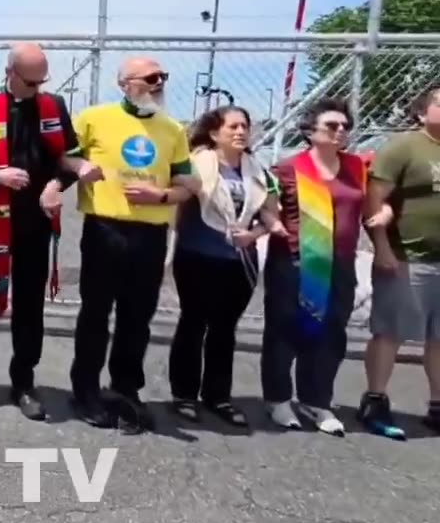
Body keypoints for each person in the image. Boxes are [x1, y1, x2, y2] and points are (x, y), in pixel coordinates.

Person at [0, 43, 99, 420]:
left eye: (41, 81)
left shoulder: (53, 108)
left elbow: (68, 159)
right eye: (30, 81)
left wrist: (57, 185)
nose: (37, 88)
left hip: (35, 221)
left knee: (30, 305)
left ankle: (24, 382)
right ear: (10, 73)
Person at [69, 56, 198, 432]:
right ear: (125, 83)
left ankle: (125, 388)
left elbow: (187, 185)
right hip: (105, 229)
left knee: (137, 317)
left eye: (163, 77)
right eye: (151, 77)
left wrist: (159, 196)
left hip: (151, 233)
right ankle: (86, 390)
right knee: (95, 313)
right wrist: (78, 169)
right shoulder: (94, 117)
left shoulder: (172, 129)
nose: (159, 83)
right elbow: (64, 156)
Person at [261, 98, 380, 436]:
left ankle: (316, 399)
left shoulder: (356, 167)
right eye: (332, 125)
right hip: (296, 261)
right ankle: (278, 399)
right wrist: (271, 223)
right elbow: (265, 207)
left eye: (345, 126)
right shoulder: (288, 168)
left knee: (330, 332)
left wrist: (382, 217)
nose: (341, 131)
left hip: (340, 262)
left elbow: (370, 208)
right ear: (310, 131)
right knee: (286, 329)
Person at [168, 105, 283, 427]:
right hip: (197, 256)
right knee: (193, 323)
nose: (240, 132)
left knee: (224, 330)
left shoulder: (258, 171)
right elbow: (178, 199)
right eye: (232, 126)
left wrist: (255, 234)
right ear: (215, 133)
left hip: (238, 261)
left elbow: (269, 214)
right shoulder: (196, 164)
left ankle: (218, 396)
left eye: (245, 126)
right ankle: (184, 395)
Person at [358, 85, 440, 438]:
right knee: (390, 332)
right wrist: (383, 249)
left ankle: (437, 405)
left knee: (439, 338)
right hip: (407, 258)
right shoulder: (404, 147)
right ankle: (375, 400)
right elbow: (374, 199)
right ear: (422, 113)